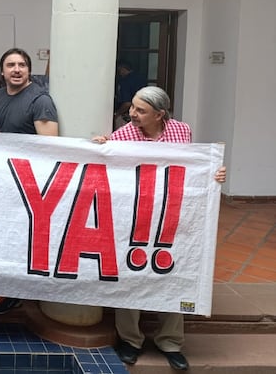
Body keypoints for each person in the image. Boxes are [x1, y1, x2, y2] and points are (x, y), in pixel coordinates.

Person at [93, 85, 226, 371]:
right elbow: (107, 161)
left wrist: (213, 174)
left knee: (172, 272)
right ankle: (130, 340)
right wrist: (101, 145)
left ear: (160, 114)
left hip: (171, 214)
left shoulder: (182, 131)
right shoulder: (124, 134)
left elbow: (191, 168)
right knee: (129, 271)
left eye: (140, 110)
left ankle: (170, 341)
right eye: (132, 108)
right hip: (136, 214)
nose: (132, 114)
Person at [0, 48, 58, 314]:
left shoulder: (40, 100)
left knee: (17, 239)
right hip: (1, 180)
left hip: (27, 183)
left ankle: (13, 293)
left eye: (22, 65)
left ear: (28, 70)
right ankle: (3, 288)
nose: (16, 69)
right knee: (0, 237)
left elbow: (49, 146)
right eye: (11, 65)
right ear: (2, 71)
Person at [113, 59, 146, 128]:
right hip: (142, 114)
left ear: (123, 69)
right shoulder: (141, 78)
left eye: (119, 71)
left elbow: (127, 103)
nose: (119, 73)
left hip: (126, 115)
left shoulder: (125, 82)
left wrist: (117, 114)